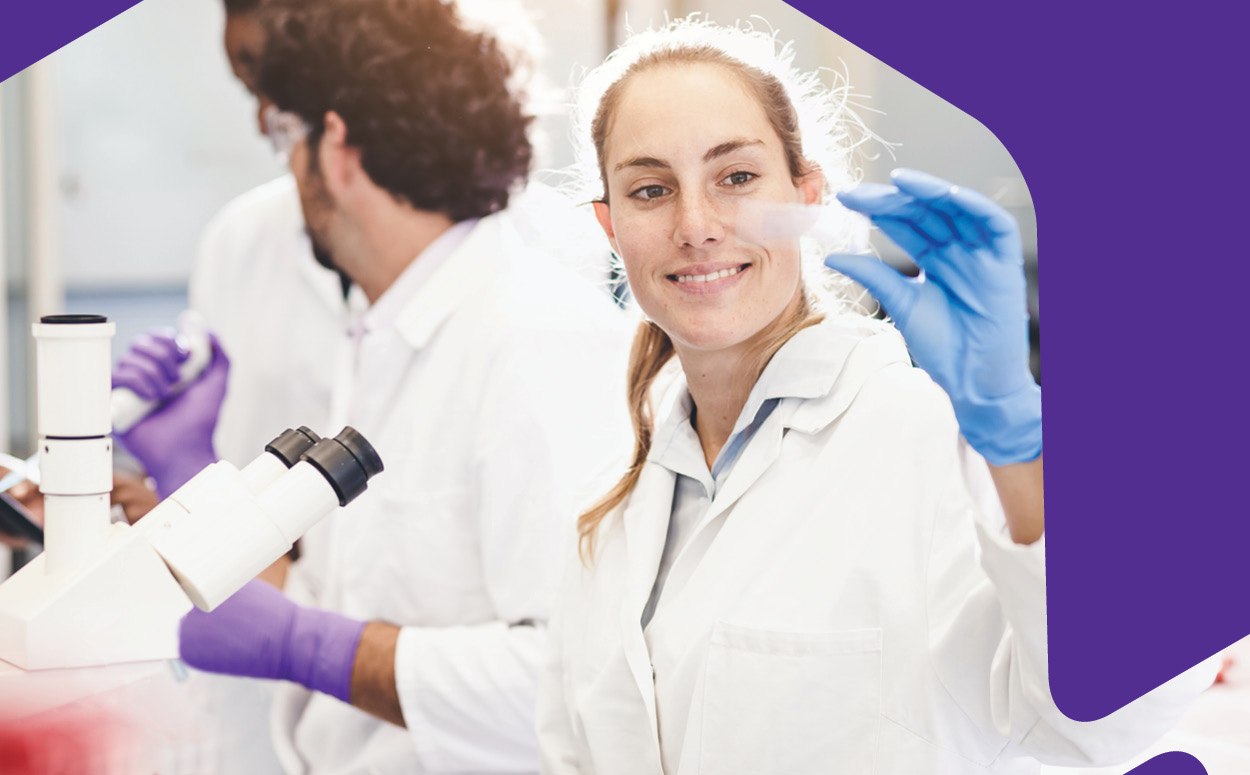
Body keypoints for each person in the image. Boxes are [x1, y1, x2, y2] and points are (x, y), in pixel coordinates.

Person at [536, 19, 1214, 773]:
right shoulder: (610, 510)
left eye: (736, 178)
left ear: (807, 193)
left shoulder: (922, 438)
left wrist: (1017, 442)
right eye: (651, 190)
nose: (696, 226)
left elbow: (1110, 720)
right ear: (610, 226)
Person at [113, 0, 630, 772]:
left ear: (340, 148)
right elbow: (341, 588)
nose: (286, 167)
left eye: (291, 138)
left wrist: (311, 648)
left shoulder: (537, 339)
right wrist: (189, 480)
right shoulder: (389, 334)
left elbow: (578, 688)